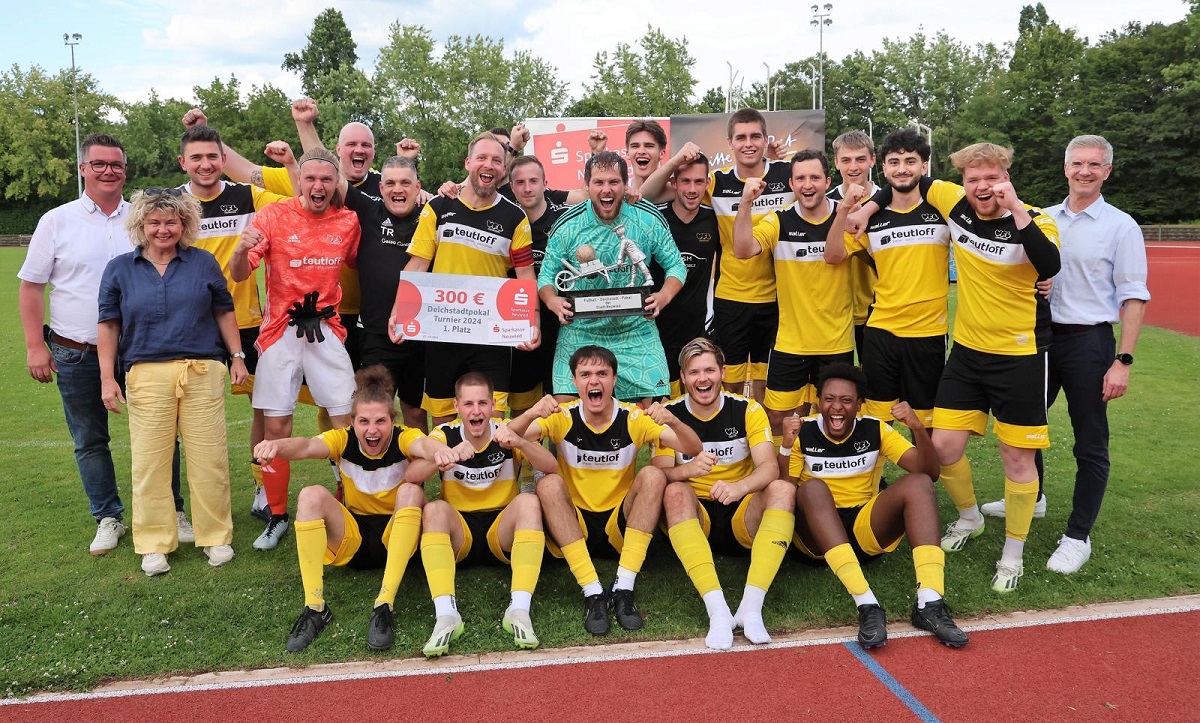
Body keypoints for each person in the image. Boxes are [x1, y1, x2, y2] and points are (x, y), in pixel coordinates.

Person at [848, 143, 1061, 592]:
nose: (982, 187)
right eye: (973, 179)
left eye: (992, 178)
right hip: (965, 353)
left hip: (1019, 356)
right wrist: (868, 208)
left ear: (1006, 177)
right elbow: (903, 183)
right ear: (961, 182)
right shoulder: (953, 202)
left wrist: (1017, 208)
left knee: (1016, 456)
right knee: (943, 449)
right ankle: (968, 518)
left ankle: (1013, 553)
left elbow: (1050, 264)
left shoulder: (1037, 219)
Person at [980, 135, 1149, 575]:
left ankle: (1078, 536)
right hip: (1038, 338)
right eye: (1078, 163)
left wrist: (1123, 361)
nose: (1085, 171)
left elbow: (1133, 297)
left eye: (1095, 165)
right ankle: (1033, 500)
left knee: (1089, 440)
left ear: (1107, 171)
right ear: (1066, 167)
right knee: (1024, 426)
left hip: (1089, 342)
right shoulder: (1042, 217)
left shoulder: (1120, 226)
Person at [18, 133, 189, 555]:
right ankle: (108, 515)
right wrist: (34, 347)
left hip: (142, 351)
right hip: (76, 350)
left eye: (115, 164)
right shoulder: (57, 221)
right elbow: (31, 286)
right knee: (90, 439)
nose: (108, 171)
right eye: (99, 164)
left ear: (125, 170)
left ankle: (171, 509)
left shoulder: (145, 218)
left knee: (161, 434)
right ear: (83, 169)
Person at [251, 366, 462, 653]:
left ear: (392, 420)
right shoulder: (342, 438)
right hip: (355, 540)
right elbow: (305, 446)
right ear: (352, 421)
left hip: (399, 538)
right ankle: (315, 608)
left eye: (380, 421)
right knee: (311, 495)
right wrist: (275, 446)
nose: (372, 430)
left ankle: (384, 604)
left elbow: (422, 443)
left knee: (411, 491)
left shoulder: (403, 437)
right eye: (363, 421)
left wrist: (437, 451)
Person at [97, 188, 247, 576]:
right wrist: (106, 379)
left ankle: (215, 536)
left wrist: (237, 357)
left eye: (171, 222)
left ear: (185, 224)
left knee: (208, 459)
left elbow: (224, 311)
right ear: (142, 225)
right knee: (150, 463)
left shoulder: (204, 262)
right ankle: (153, 543)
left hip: (202, 371)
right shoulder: (119, 268)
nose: (163, 229)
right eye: (155, 222)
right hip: (145, 374)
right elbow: (109, 325)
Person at [509, 346, 702, 636]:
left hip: (619, 525)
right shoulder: (563, 416)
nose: (594, 381)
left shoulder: (633, 419)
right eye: (585, 374)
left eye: (602, 373)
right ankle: (593, 592)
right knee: (548, 482)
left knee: (652, 474)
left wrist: (673, 419)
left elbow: (692, 448)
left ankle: (624, 587)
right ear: (574, 382)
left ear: (614, 380)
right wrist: (531, 413)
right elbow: (506, 436)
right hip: (574, 524)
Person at [231, 147, 362, 551]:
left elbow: (365, 265)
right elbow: (240, 272)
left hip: (326, 330)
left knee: (345, 424)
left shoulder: (349, 220)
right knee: (277, 428)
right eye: (312, 179)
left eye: (327, 179)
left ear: (336, 182)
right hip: (280, 333)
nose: (319, 186)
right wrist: (240, 248)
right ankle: (277, 515)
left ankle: (350, 504)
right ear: (300, 180)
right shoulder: (273, 215)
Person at [784, 363, 968, 648]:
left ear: (859, 405)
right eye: (829, 399)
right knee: (813, 489)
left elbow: (928, 471)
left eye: (846, 400)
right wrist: (785, 445)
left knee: (918, 483)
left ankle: (930, 602)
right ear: (818, 402)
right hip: (815, 538)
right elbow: (783, 488)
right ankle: (867, 605)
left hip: (862, 529)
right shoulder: (803, 431)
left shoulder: (875, 429)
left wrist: (918, 427)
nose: (836, 407)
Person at [177, 123, 293, 521]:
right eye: (197, 157)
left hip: (247, 322)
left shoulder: (248, 196)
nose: (206, 164)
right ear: (183, 163)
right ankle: (196, 501)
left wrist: (290, 163)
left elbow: (297, 196)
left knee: (263, 408)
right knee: (190, 417)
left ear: (224, 159)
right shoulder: (174, 205)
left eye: (213, 156)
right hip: (190, 326)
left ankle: (263, 487)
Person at [388, 131, 539, 426]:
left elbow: (524, 276)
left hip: (491, 335)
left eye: (497, 160)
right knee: (445, 422)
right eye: (482, 158)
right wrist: (399, 312)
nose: (489, 165)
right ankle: (452, 474)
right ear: (468, 162)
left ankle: (491, 474)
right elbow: (418, 263)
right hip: (442, 329)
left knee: (492, 419)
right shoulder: (439, 207)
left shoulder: (515, 217)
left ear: (504, 169)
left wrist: (533, 320)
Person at [653, 338, 795, 648]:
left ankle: (751, 608)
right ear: (683, 378)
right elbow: (658, 474)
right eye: (693, 373)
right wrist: (688, 471)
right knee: (674, 490)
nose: (702, 379)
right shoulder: (669, 414)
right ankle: (717, 611)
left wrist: (739, 487)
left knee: (782, 488)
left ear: (723, 372)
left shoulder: (748, 409)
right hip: (694, 516)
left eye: (709, 370)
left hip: (740, 513)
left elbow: (769, 468)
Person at [417, 373, 559, 657]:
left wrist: (519, 443)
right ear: (456, 406)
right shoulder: (444, 435)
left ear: (494, 404)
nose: (476, 410)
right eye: (468, 403)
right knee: (433, 509)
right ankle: (446, 615)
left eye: (483, 402)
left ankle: (519, 610)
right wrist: (441, 459)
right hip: (461, 534)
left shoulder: (506, 431)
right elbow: (411, 476)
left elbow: (551, 466)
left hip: (500, 530)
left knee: (529, 502)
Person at [538, 151, 686, 403]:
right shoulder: (568, 225)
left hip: (636, 331)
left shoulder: (646, 218)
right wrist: (552, 301)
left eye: (613, 182)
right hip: (580, 332)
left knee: (660, 414)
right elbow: (546, 277)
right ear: (587, 186)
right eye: (599, 182)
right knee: (564, 416)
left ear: (625, 184)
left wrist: (663, 296)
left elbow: (676, 266)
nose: (606, 189)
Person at [825, 128, 950, 427]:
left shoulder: (941, 208)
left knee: (925, 420)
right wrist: (847, 210)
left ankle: (924, 474)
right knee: (877, 419)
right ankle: (873, 475)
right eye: (894, 162)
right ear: (883, 167)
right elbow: (833, 255)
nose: (902, 168)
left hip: (927, 333)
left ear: (923, 166)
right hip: (878, 328)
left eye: (910, 161)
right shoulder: (870, 217)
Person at [733, 151, 854, 444]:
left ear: (828, 181)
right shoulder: (779, 220)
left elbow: (836, 255)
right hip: (791, 342)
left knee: (834, 415)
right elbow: (743, 249)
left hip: (835, 342)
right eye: (800, 178)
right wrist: (746, 203)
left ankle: (830, 476)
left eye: (814, 177)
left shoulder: (847, 215)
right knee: (778, 417)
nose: (807, 184)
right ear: (791, 183)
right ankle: (782, 478)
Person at [507, 155, 573, 418]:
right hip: (517, 322)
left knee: (560, 406)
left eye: (533, 181)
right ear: (511, 187)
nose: (527, 188)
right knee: (521, 406)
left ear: (546, 183)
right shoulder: (506, 219)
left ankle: (559, 461)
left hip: (561, 322)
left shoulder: (567, 220)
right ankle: (520, 458)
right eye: (520, 182)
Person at [653, 154, 719, 397]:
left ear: (707, 184)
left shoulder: (713, 219)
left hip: (698, 328)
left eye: (698, 182)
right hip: (656, 328)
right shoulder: (655, 218)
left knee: (695, 400)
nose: (692, 189)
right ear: (674, 183)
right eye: (686, 182)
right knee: (659, 406)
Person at [828, 131, 880, 362]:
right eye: (846, 160)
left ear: (872, 160)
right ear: (836, 162)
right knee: (838, 387)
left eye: (860, 159)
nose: (853, 167)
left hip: (878, 309)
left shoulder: (887, 200)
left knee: (876, 384)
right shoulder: (824, 202)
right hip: (835, 312)